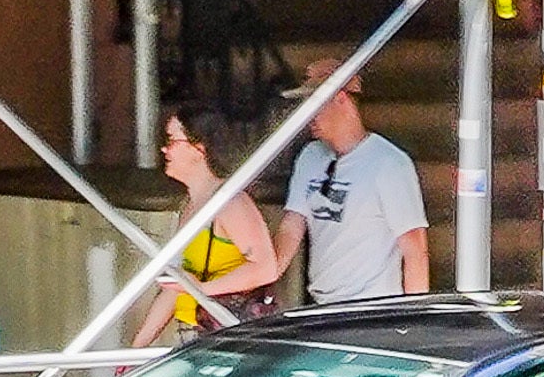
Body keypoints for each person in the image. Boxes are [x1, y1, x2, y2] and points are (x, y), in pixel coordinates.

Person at [284, 71, 432, 306]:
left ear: (341, 98)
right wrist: (265, 274)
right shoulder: (310, 156)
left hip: (369, 309)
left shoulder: (390, 163)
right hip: (321, 304)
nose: (306, 115)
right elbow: (291, 225)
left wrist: (413, 316)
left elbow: (414, 249)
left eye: (313, 103)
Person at [152, 105, 286, 331]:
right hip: (197, 331)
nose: (165, 150)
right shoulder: (189, 206)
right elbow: (176, 287)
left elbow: (265, 268)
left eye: (173, 140)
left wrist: (200, 289)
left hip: (230, 335)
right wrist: (134, 350)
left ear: (199, 148)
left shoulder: (231, 204)